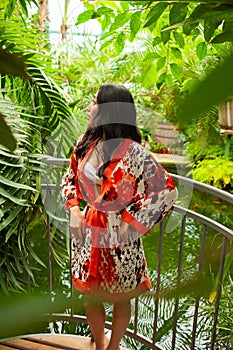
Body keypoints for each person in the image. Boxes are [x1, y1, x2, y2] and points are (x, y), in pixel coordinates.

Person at [61, 83, 178, 350]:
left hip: (119, 242)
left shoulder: (134, 153)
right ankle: (100, 343)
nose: (89, 107)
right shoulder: (85, 142)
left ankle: (113, 347)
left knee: (120, 298)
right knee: (91, 298)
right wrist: (75, 211)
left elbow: (166, 191)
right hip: (88, 232)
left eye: (94, 101)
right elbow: (69, 177)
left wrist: (133, 221)